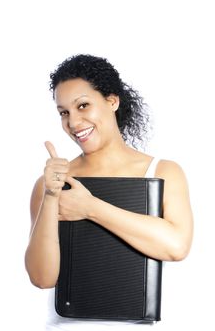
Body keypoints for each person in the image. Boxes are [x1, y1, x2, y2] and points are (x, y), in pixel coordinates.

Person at [25, 54, 193, 330]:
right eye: (64, 112)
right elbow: (42, 278)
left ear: (112, 101)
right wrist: (52, 196)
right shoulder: (51, 183)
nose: (74, 122)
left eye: (83, 106)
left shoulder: (162, 172)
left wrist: (90, 207)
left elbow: (175, 247)